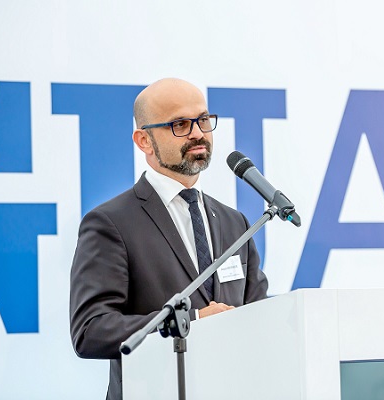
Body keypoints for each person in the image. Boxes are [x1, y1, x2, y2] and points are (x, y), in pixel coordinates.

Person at [69, 78, 269, 400]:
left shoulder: (236, 223)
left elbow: (260, 318)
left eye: (203, 120)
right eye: (179, 124)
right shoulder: (110, 223)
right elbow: (90, 331)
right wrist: (191, 321)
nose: (197, 133)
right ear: (143, 141)